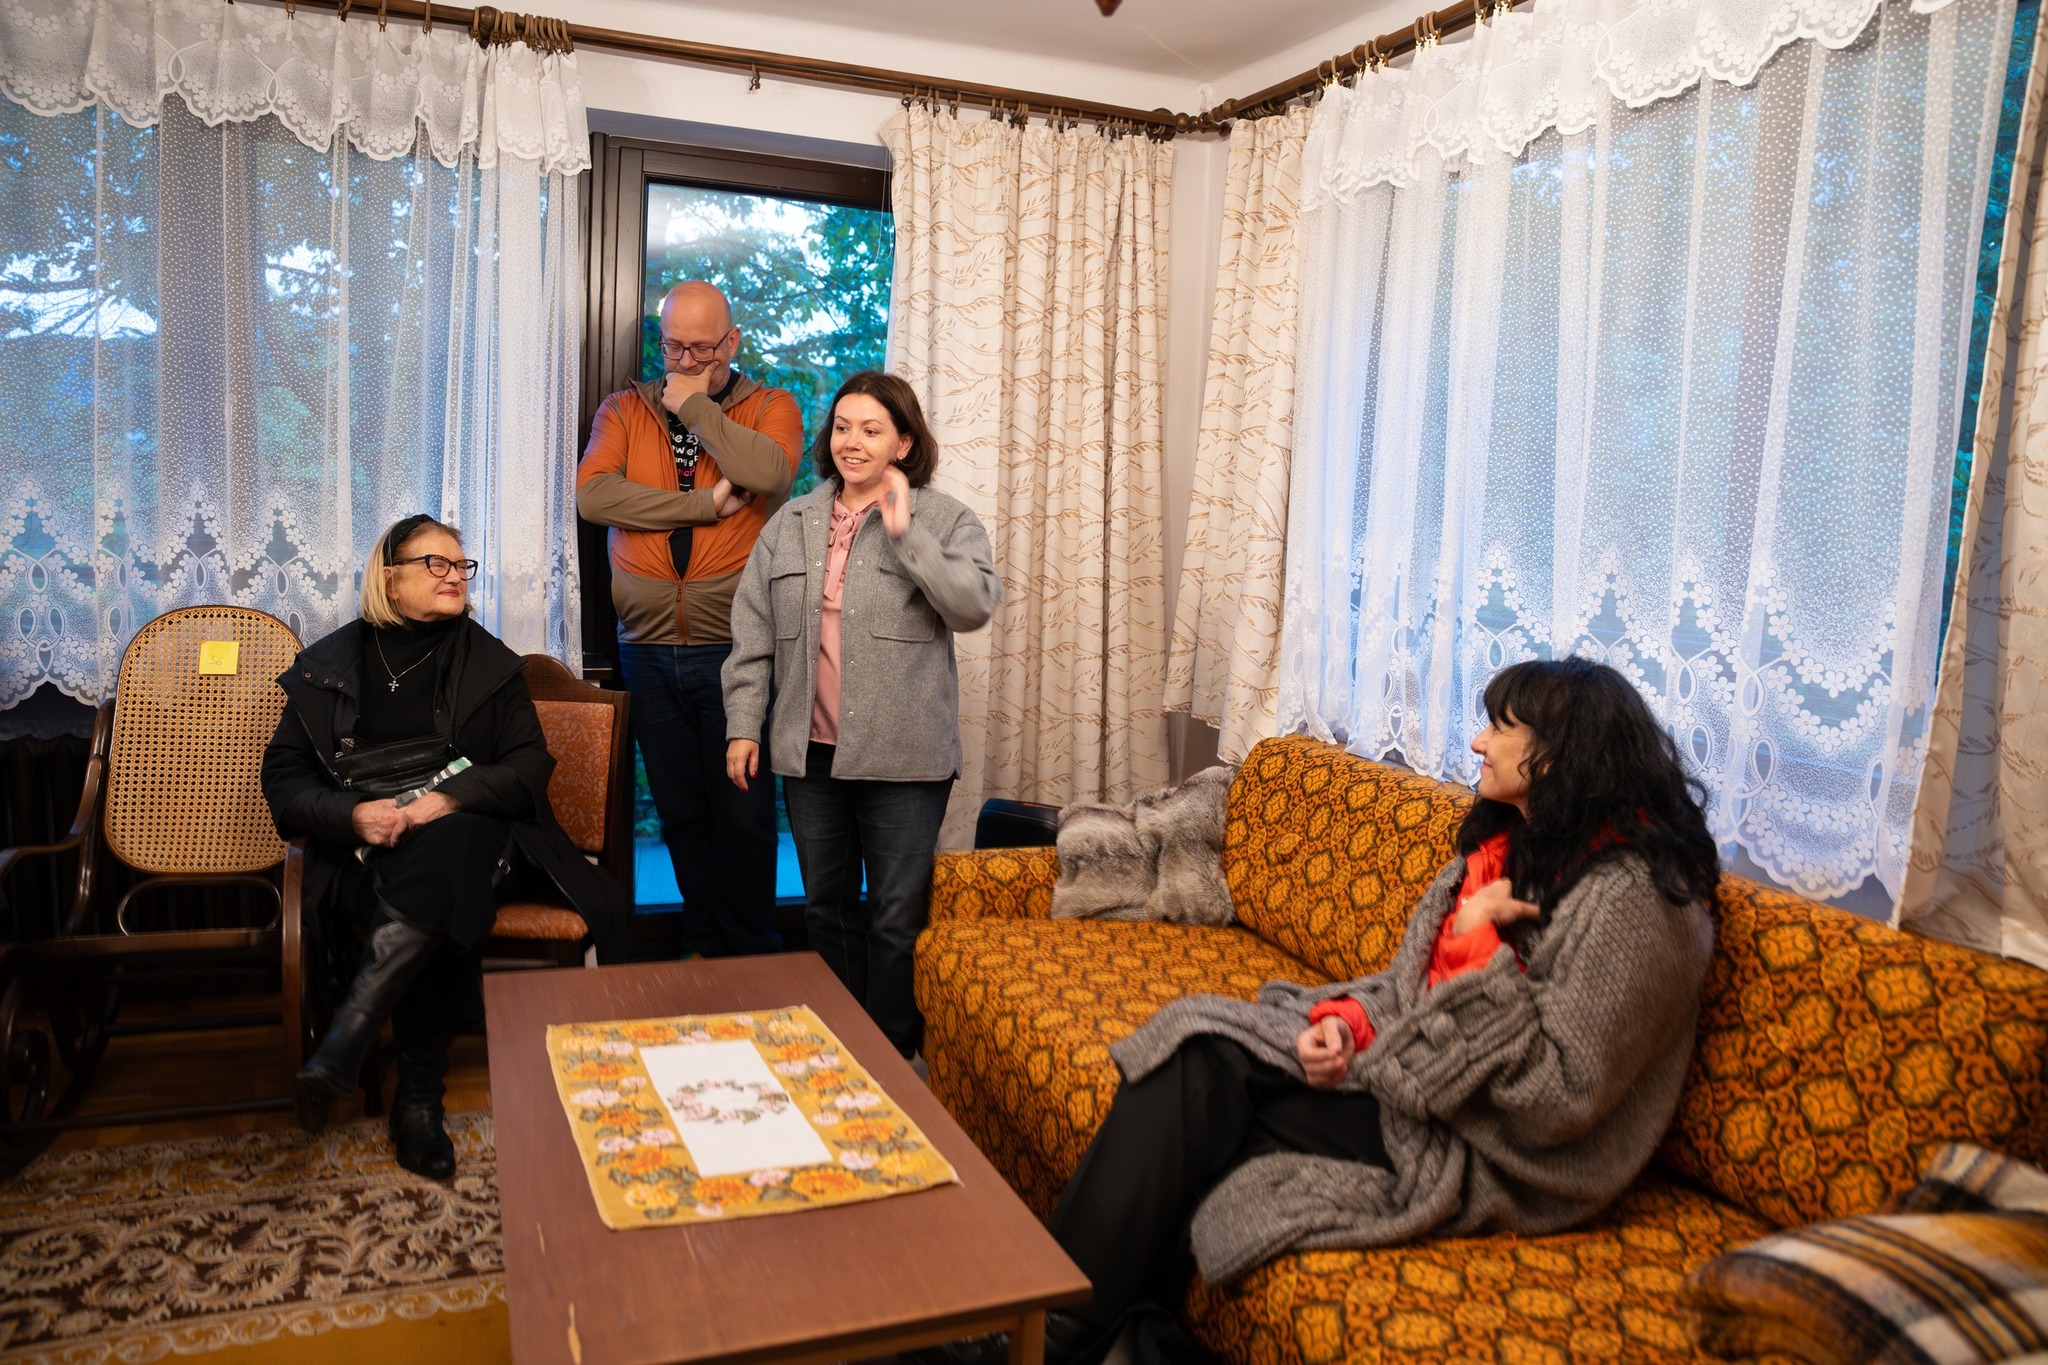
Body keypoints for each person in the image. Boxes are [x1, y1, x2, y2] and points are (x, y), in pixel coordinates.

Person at [939, 658, 1722, 1365]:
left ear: (1560, 753)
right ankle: (1088, 1328)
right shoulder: (1506, 851)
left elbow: (1560, 1096)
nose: (1478, 742)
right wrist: (1346, 1022)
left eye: (1500, 728)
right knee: (1198, 1056)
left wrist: (1480, 951)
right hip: (1411, 1083)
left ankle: (1044, 1338)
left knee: (1202, 1089)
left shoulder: (1640, 899)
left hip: (1495, 1148)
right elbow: (1409, 985)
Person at [262, 514, 628, 1178]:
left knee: (448, 849)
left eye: (461, 565)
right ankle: (415, 1099)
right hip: (365, 856)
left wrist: (450, 798)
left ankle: (367, 1050)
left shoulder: (491, 664)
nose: (456, 575)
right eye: (437, 563)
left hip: (483, 845)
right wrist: (354, 816)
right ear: (389, 578)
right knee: (429, 892)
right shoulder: (328, 668)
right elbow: (285, 783)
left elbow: (528, 767)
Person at [723, 371, 999, 1058]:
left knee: (897, 919)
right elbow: (753, 634)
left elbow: (973, 606)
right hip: (810, 755)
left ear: (903, 443)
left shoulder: (946, 519)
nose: (853, 441)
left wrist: (907, 535)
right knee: (826, 910)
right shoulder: (790, 523)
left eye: (872, 430)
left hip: (906, 759)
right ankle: (842, 1050)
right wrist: (743, 726)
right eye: (843, 426)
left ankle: (893, 1056)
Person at [576, 280, 802, 958]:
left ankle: (750, 952)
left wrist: (697, 408)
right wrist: (702, 506)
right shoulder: (623, 408)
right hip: (645, 648)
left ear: (732, 342)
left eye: (701, 348)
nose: (684, 360)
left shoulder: (770, 406)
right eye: (673, 346)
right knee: (680, 812)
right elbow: (595, 496)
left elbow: (769, 473)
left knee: (744, 814)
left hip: (737, 649)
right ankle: (702, 942)